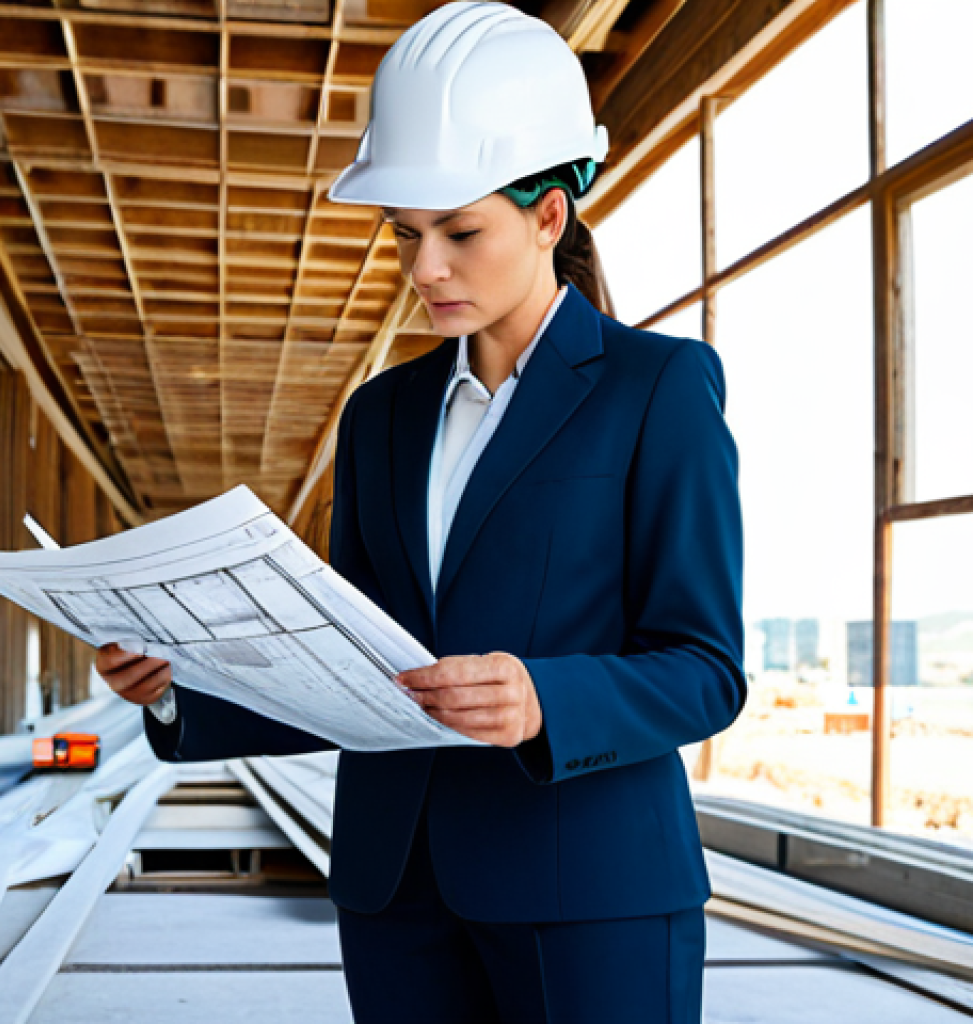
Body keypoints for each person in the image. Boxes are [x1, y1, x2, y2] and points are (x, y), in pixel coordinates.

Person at [95, 3, 746, 1021]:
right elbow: (346, 662)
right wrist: (179, 687)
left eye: (460, 230)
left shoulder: (655, 389)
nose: (423, 267)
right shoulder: (380, 417)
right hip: (395, 891)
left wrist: (542, 699)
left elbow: (704, 669)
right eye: (406, 232)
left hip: (589, 898)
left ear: (548, 215)